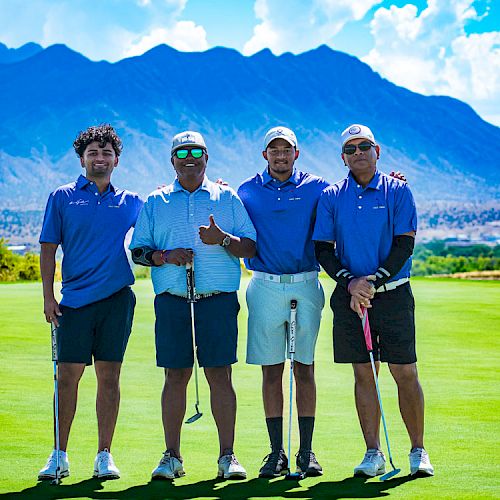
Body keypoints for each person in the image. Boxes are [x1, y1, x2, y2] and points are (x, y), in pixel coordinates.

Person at [130, 130, 256, 480]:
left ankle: (227, 457)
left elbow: (250, 247)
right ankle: (172, 456)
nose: (189, 157)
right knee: (175, 376)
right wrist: (164, 255)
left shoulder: (226, 197)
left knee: (220, 375)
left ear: (206, 158)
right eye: (181, 151)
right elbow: (138, 250)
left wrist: (223, 239)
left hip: (216, 301)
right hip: (173, 300)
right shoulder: (156, 202)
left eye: (196, 151)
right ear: (172, 160)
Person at [312, 124, 434, 478]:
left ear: (377, 151)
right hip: (351, 297)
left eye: (364, 146)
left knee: (405, 372)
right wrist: (351, 284)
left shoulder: (398, 190)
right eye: (350, 149)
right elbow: (324, 249)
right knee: (364, 374)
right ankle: (373, 452)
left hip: (393, 294)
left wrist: (373, 281)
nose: (358, 153)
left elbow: (404, 244)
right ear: (343, 158)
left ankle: (418, 450)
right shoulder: (333, 196)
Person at [38, 124, 143, 481]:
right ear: (82, 158)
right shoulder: (62, 197)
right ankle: (59, 454)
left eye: (107, 153)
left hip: (116, 302)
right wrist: (48, 296)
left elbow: (156, 225)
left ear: (117, 159)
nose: (100, 158)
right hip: (74, 303)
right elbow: (49, 249)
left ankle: (104, 455)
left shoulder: (131, 201)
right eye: (93, 153)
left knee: (109, 378)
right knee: (67, 378)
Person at [238, 127, 329, 478]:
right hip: (265, 286)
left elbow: (349, 195)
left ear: (297, 153)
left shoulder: (318, 188)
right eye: (273, 150)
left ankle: (306, 452)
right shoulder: (246, 190)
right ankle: (276, 452)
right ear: (265, 155)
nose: (280, 156)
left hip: (306, 283)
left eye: (286, 150)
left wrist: (393, 180)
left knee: (304, 368)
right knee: (271, 370)